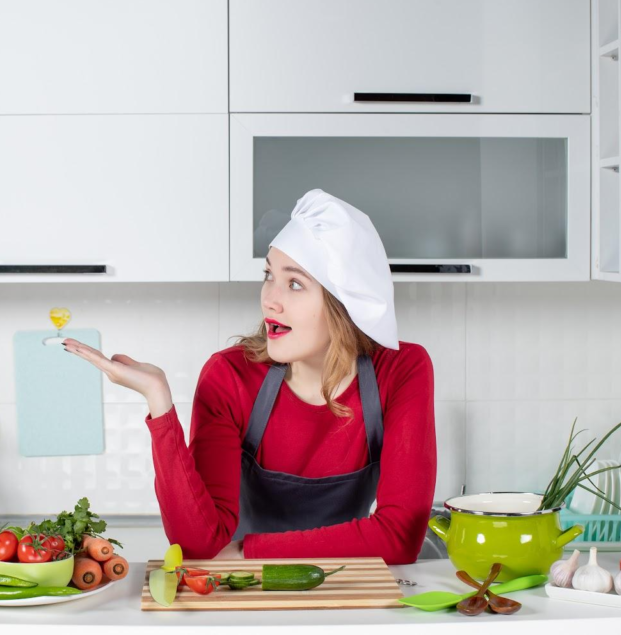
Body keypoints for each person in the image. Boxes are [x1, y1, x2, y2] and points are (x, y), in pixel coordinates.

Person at [63, 189, 436, 564]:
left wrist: (247, 550)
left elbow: (400, 538)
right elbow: (198, 544)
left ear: (344, 305)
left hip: (341, 585)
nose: (269, 299)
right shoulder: (230, 377)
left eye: (294, 284)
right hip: (243, 590)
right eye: (269, 275)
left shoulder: (401, 371)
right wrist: (158, 402)